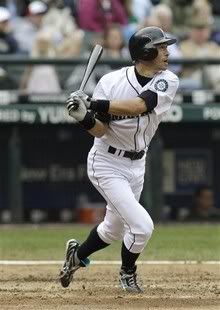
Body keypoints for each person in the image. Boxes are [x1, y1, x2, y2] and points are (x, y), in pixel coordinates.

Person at [59, 26, 179, 293]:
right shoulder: (111, 83)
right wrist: (84, 118)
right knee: (142, 226)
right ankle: (127, 272)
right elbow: (100, 130)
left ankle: (76, 256)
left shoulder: (168, 79)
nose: (166, 51)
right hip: (106, 163)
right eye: (161, 47)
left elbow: (140, 105)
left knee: (112, 230)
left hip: (138, 163)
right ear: (146, 51)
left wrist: (93, 104)